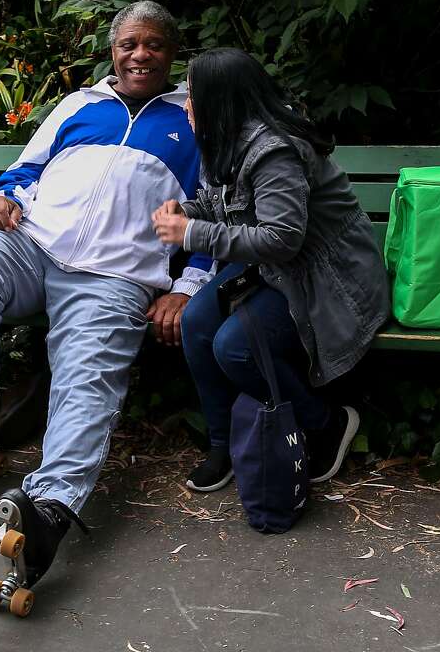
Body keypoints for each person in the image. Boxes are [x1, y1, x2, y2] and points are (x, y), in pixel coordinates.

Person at [0, 1, 212, 587]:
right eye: (130, 43)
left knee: (87, 375)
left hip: (117, 275)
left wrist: (186, 286)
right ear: (113, 49)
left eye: (154, 44)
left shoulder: (194, 118)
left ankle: (50, 510)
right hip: (32, 248)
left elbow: (215, 213)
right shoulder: (78, 106)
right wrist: (0, 197)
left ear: (171, 52)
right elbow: (24, 171)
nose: (141, 55)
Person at [152, 47, 390, 493]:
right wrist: (186, 211)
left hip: (325, 278)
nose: (185, 104)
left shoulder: (274, 151)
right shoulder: (226, 140)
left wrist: (191, 234)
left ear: (219, 101)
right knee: (197, 323)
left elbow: (282, 239)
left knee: (236, 347)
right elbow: (225, 204)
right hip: (276, 269)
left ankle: (326, 423)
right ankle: (223, 443)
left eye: (192, 95)